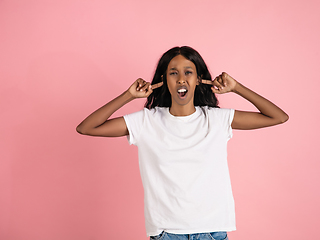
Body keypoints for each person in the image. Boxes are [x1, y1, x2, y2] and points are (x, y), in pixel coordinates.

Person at [76, 46, 289, 240]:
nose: (181, 79)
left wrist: (237, 88)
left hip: (211, 231)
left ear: (198, 79)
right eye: (173, 73)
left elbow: (278, 117)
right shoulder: (146, 121)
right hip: (166, 233)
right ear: (164, 80)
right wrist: (128, 96)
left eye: (188, 72)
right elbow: (86, 128)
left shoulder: (216, 119)